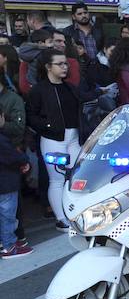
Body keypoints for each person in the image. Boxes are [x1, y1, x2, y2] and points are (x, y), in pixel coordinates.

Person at [26, 49, 84, 232]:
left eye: (65, 63)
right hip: (53, 139)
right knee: (57, 179)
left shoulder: (69, 87)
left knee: (77, 177)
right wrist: (49, 126)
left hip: (74, 138)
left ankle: (75, 213)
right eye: (60, 63)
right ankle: (61, 218)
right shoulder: (39, 90)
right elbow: (30, 116)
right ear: (48, 67)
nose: (65, 66)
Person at [0, 131, 31, 259]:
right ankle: (9, 246)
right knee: (8, 217)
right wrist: (24, 160)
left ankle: (5, 243)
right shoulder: (2, 139)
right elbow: (13, 157)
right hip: (6, 184)